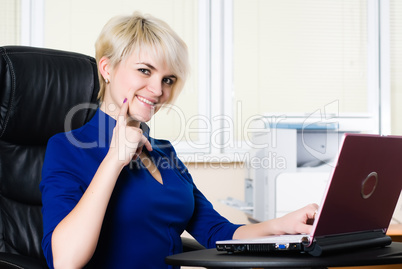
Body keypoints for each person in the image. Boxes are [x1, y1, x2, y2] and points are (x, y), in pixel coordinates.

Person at [40, 11, 318, 269]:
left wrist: (282, 225)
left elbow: (217, 231)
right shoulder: (67, 147)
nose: (158, 90)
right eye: (145, 71)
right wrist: (114, 160)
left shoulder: (164, 152)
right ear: (107, 69)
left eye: (169, 79)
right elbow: (65, 260)